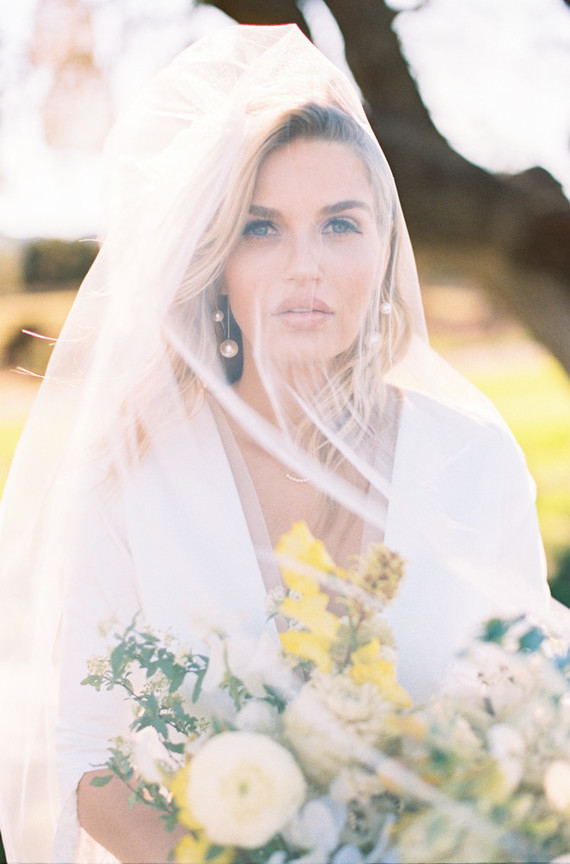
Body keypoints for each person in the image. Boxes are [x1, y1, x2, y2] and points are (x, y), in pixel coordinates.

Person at [0, 24, 550, 863]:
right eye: (262, 228)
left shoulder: (470, 458)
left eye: (340, 224)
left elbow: (530, 711)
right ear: (216, 257)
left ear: (383, 245)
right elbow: (85, 756)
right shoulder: (131, 474)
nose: (307, 265)